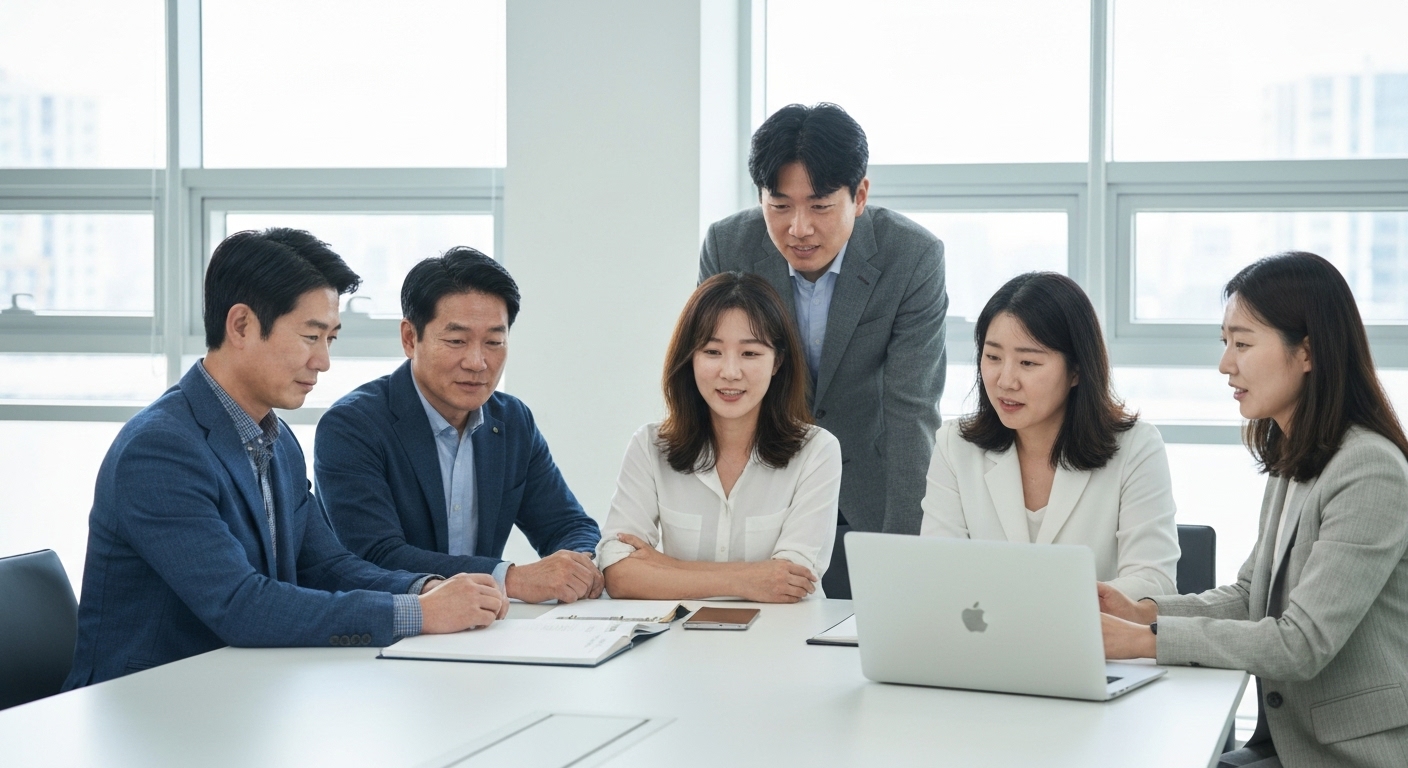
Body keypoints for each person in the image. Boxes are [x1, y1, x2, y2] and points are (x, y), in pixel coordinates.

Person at [65, 229, 505, 689]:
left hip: (240, 690)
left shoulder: (276, 440)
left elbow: (326, 566)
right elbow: (240, 606)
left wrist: (424, 589)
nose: (323, 361)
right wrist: (418, 613)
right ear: (241, 326)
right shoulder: (160, 449)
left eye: (330, 338)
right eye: (310, 336)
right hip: (144, 702)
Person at [1101, 252, 1408, 768]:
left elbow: (1302, 643)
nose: (1226, 364)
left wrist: (1145, 641)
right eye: (1225, 343)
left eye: (1242, 344)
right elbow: (1252, 596)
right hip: (1287, 742)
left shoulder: (1369, 469)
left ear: (1307, 351)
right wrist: (1145, 612)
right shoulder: (1297, 453)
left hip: (1351, 754)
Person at [698, 102, 946, 595]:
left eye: (819, 206)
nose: (799, 228)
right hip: (762, 491)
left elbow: (911, 408)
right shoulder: (729, 246)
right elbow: (714, 379)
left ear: (859, 196)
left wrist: (906, 550)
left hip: (868, 494)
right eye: (780, 205)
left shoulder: (911, 256)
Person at [315, 247, 603, 605]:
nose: (477, 362)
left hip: (481, 626)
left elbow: (568, 525)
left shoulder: (512, 421)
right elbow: (377, 555)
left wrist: (578, 565)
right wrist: (510, 578)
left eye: (494, 342)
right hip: (385, 624)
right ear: (410, 338)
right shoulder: (352, 426)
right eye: (456, 341)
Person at [920, 272, 1180, 599]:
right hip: (986, 632)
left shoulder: (1136, 448)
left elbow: (1154, 584)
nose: (1006, 381)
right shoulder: (955, 445)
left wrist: (1049, 607)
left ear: (1076, 370)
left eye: (1028, 362)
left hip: (1094, 632)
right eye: (993, 357)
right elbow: (938, 574)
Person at [597, 272, 841, 602]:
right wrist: (749, 579)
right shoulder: (650, 446)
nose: (730, 372)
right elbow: (617, 573)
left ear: (777, 362)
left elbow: (790, 582)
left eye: (750, 353)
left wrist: (664, 567)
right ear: (690, 358)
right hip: (679, 634)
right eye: (712, 351)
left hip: (788, 634)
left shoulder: (817, 451)